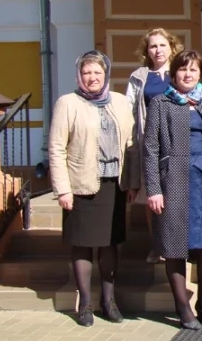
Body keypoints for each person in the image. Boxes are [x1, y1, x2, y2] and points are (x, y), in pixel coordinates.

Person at [143, 50, 202, 330]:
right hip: (174, 182)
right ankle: (182, 307)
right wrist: (153, 189)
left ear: (200, 74)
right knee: (175, 249)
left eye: (193, 70)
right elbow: (150, 149)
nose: (188, 74)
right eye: (183, 70)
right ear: (174, 74)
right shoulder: (161, 103)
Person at [48, 50, 137, 327]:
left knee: (110, 244)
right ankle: (84, 304)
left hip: (114, 184)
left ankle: (108, 301)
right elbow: (56, 147)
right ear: (79, 76)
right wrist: (62, 189)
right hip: (81, 185)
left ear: (106, 74)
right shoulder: (67, 103)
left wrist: (133, 182)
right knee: (82, 245)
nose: (92, 77)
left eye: (97, 72)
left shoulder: (121, 102)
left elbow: (132, 145)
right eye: (87, 72)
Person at [125, 28, 183, 264]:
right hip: (150, 143)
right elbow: (130, 111)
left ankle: (179, 244)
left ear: (171, 47)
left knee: (178, 194)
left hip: (178, 142)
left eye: (162, 45)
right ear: (146, 51)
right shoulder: (139, 76)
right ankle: (157, 245)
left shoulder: (181, 70)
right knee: (154, 197)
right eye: (153, 46)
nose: (158, 50)